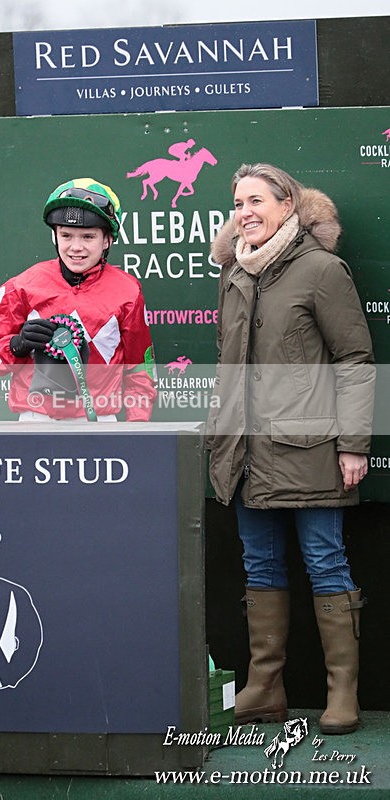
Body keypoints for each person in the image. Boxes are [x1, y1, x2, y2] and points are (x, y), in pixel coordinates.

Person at [206, 163, 375, 734]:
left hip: (311, 449)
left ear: (288, 205)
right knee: (259, 565)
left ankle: (342, 692)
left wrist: (353, 445)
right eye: (237, 202)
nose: (244, 212)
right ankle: (264, 689)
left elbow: (355, 361)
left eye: (256, 200)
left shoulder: (323, 270)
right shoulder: (233, 274)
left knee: (326, 563)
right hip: (247, 453)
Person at [0, 178, 157, 422]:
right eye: (67, 235)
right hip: (36, 421)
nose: (76, 247)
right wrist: (17, 344)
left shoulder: (128, 291)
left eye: (88, 237)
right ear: (55, 237)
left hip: (99, 423)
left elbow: (139, 371)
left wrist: (138, 427)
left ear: (107, 240)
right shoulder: (20, 286)